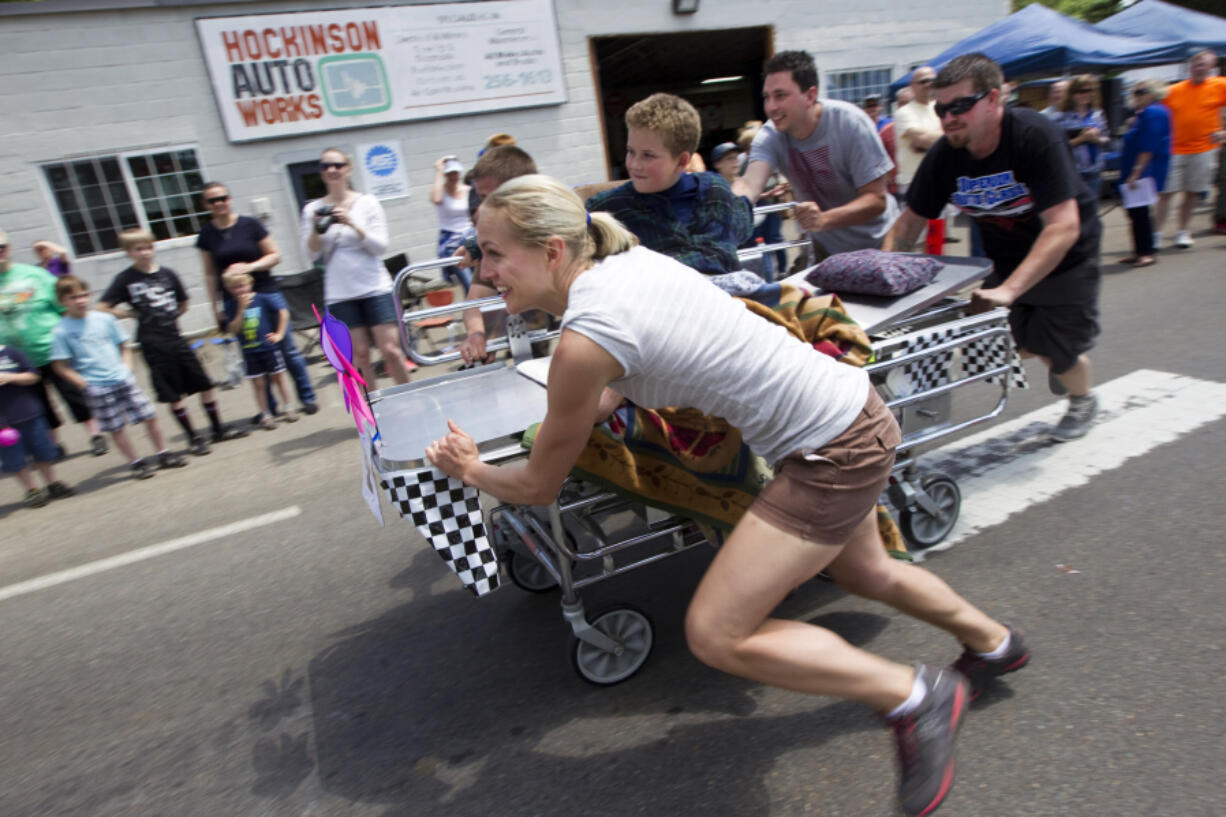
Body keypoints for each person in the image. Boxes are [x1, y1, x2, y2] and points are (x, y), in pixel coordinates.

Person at [426, 175, 1026, 817]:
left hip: (830, 452)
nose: (486, 273)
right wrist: (584, 401)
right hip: (854, 412)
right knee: (866, 569)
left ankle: (914, 694)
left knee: (717, 633)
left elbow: (538, 485)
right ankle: (996, 644)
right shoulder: (624, 262)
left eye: (493, 254)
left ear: (550, 251)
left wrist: (470, 469)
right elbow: (640, 364)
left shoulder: (584, 337)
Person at [886, 53, 1102, 442]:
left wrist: (1009, 290)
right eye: (941, 108)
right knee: (1006, 341)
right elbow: (908, 224)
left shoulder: (1034, 136)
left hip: (1067, 255)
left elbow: (1063, 226)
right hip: (1008, 256)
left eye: (960, 106)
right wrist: (880, 273)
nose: (949, 116)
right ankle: (1052, 354)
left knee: (1053, 347)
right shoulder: (946, 155)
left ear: (993, 99)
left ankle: (1082, 398)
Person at [735, 50, 899, 262]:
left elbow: (877, 200)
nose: (771, 107)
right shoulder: (770, 136)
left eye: (781, 95)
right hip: (829, 250)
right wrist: (726, 206)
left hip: (882, 242)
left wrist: (823, 219)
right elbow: (749, 184)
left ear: (810, 95)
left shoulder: (849, 122)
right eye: (767, 97)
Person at [98, 229, 246, 456]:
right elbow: (102, 307)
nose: (145, 253)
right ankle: (193, 437)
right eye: (138, 249)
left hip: (175, 338)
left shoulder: (167, 274)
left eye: (148, 247)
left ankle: (218, 429)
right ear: (128, 253)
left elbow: (184, 302)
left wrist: (169, 317)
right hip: (152, 343)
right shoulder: (126, 279)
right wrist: (130, 314)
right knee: (173, 394)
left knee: (205, 385)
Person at [585, 92, 753, 276]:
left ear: (682, 161)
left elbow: (732, 240)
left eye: (648, 155)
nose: (634, 164)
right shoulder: (609, 208)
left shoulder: (715, 192)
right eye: (630, 152)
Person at [196, 182, 318, 415]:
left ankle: (306, 397)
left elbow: (275, 255)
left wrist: (249, 267)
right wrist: (215, 308)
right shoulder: (207, 234)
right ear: (205, 205)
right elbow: (210, 273)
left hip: (265, 292)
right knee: (253, 351)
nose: (219, 203)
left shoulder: (250, 225)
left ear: (229, 199)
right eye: (213, 200)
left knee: (286, 348)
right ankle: (269, 409)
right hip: (234, 299)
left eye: (222, 198)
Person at [49, 276, 186, 479]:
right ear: (62, 301)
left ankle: (163, 453)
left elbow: (124, 345)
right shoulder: (61, 331)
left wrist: (127, 369)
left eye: (83, 295)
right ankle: (136, 462)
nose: (80, 300)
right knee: (116, 427)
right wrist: (84, 383)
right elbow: (60, 366)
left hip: (121, 377)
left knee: (149, 415)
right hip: (96, 385)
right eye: (73, 297)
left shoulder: (104, 319)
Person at [302, 148, 410, 387]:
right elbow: (311, 253)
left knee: (390, 350)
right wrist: (314, 228)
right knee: (359, 355)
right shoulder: (312, 209)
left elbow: (380, 246)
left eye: (337, 165)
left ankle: (409, 398)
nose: (332, 170)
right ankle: (374, 411)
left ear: (348, 169)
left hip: (374, 287)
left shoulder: (367, 202)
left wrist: (351, 222)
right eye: (325, 166)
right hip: (340, 293)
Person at [0, 229, 106, 458]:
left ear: (9, 248)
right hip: (17, 359)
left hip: (51, 348)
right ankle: (53, 445)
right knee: (38, 403)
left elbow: (62, 308)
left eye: (1, 247)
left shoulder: (35, 276)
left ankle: (96, 434)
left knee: (73, 394)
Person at [454, 145, 540, 366]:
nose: (482, 208)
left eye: (487, 197)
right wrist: (477, 335)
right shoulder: (492, 242)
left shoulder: (554, 230)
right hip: (528, 342)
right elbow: (474, 300)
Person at [1156, 50, 1226, 249]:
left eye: (1205, 65)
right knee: (1166, 193)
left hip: (1204, 149)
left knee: (1192, 193)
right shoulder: (1174, 90)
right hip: (1174, 150)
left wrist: (1224, 132)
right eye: (1197, 64)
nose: (1200, 68)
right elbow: (1157, 115)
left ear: (1212, 68)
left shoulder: (1220, 85)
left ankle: (1182, 231)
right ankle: (1156, 234)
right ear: (1190, 66)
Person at [0, 343, 74, 508]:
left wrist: (10, 377)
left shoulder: (11, 352)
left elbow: (34, 375)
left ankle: (52, 483)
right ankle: (31, 490)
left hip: (28, 413)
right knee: (14, 458)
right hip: (3, 425)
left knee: (42, 451)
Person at [222, 270, 296, 430]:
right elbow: (233, 329)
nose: (240, 290)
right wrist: (241, 309)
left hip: (268, 347)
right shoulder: (230, 306)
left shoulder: (262, 298)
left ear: (249, 284)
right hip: (249, 351)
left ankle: (288, 407)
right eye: (235, 287)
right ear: (229, 289)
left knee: (279, 378)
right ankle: (266, 414)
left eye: (242, 286)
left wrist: (279, 334)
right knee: (259, 384)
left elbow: (283, 312)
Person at [1116, 81, 1172, 268]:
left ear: (1154, 92)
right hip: (1137, 169)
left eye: (1142, 91)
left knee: (1140, 213)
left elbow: (1148, 146)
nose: (1137, 95)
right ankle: (1139, 250)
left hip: (1143, 170)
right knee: (1135, 213)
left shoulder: (1153, 112)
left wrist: (1136, 173)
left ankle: (1147, 252)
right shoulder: (1145, 113)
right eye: (1135, 91)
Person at [1053, 75, 1109, 200]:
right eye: (1081, 91)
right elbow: (1058, 146)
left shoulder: (1097, 115)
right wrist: (1081, 139)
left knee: (1093, 211)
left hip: (1094, 170)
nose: (1085, 94)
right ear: (1072, 94)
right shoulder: (1061, 118)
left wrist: (1097, 139)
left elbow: (1106, 139)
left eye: (1089, 90)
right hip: (1073, 172)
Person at [430, 155, 474, 292]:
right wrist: (438, 170)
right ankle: (476, 311)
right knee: (469, 283)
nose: (453, 176)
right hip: (451, 242)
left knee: (480, 281)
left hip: (470, 238)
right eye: (450, 173)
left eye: (455, 172)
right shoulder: (440, 192)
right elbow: (436, 199)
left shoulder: (467, 190)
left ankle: (484, 311)